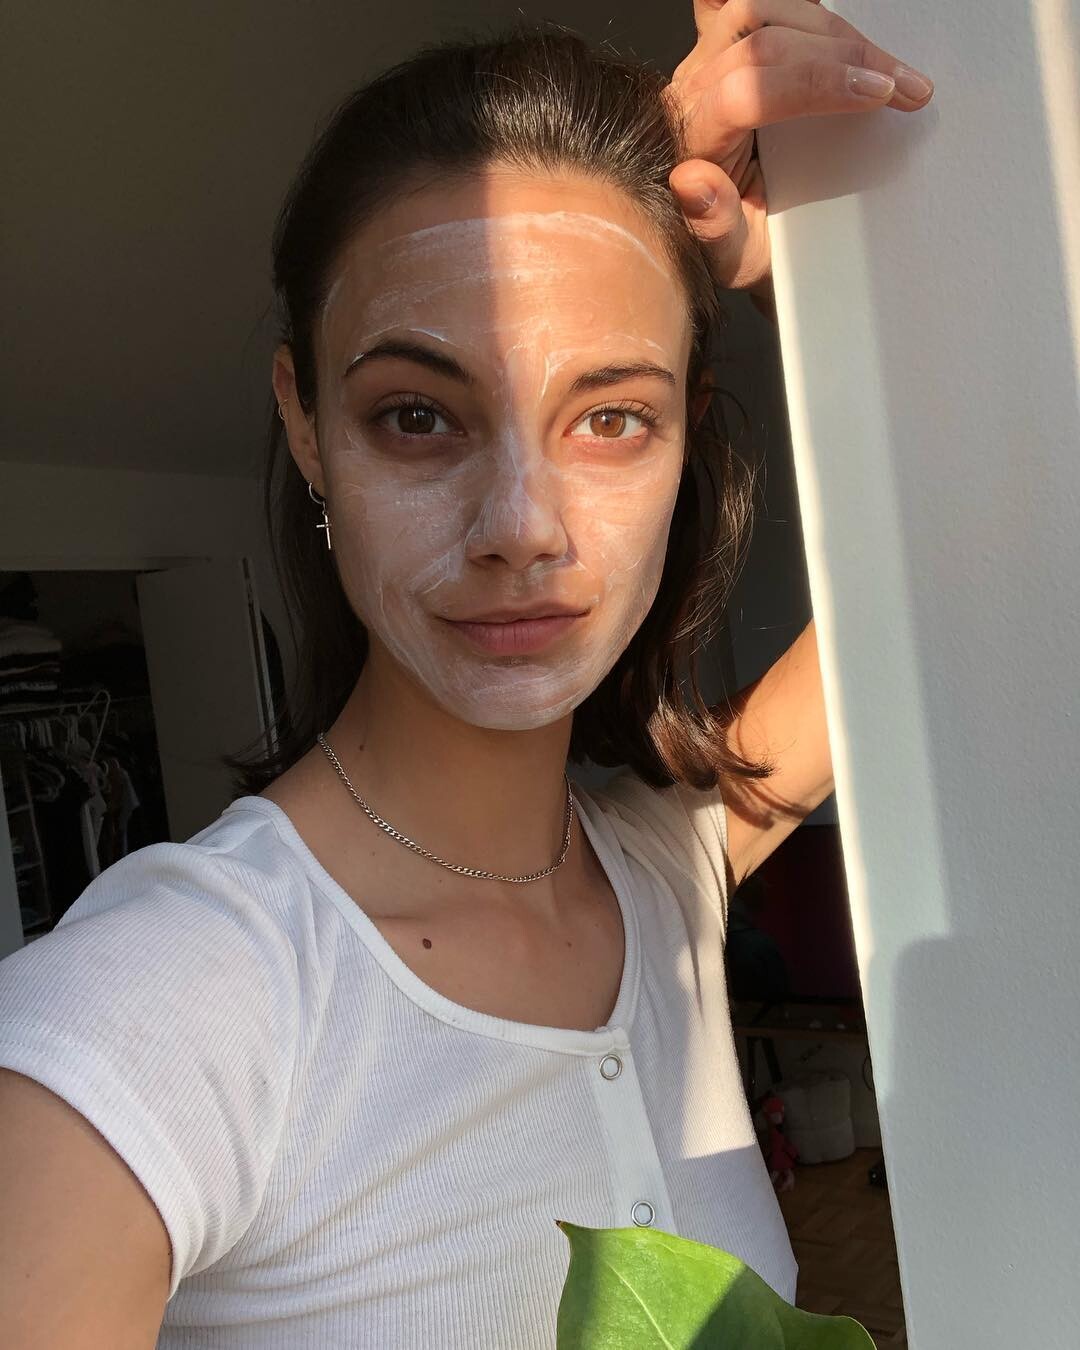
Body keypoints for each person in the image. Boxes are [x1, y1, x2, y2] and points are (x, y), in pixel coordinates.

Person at [0, 11, 933, 1348]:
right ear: (306, 425)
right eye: (418, 416)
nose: (522, 526)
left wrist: (812, 295)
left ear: (687, 433)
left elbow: (951, 574)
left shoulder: (662, 875)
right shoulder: (163, 1007)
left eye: (612, 415)